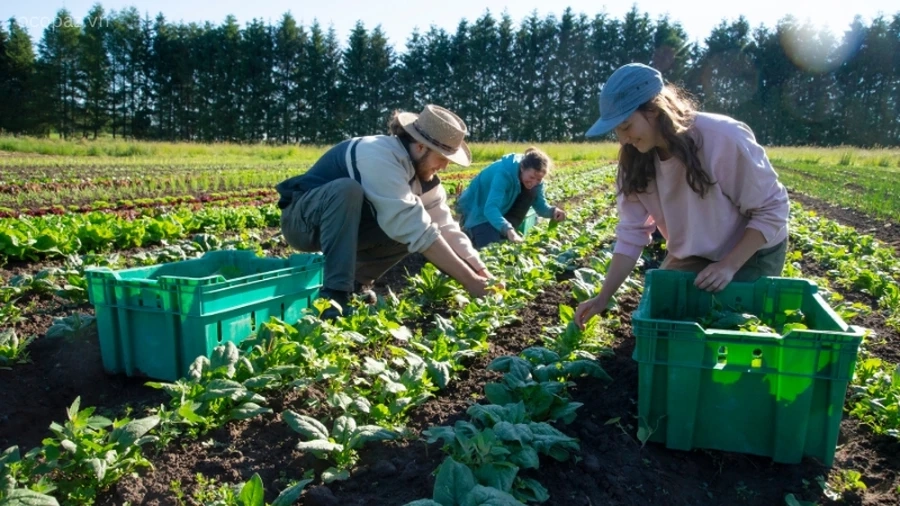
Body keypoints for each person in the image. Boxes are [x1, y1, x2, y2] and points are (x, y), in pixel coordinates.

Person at [575, 63, 790, 329]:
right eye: (616, 130)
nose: (623, 139)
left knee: (732, 325)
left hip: (751, 249)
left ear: (654, 110)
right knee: (663, 319)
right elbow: (632, 234)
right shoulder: (634, 162)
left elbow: (773, 208)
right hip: (695, 249)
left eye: (627, 126)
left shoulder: (722, 138)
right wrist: (602, 297)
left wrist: (728, 265)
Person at [276, 104, 496, 319]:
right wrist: (469, 283)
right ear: (420, 146)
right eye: (442, 158)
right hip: (302, 222)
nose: (445, 167)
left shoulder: (425, 178)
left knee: (417, 226)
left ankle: (354, 285)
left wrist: (479, 270)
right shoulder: (377, 154)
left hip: (346, 228)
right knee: (349, 191)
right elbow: (413, 225)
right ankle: (334, 296)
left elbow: (445, 226)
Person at [457, 147, 567, 249]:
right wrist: (508, 229)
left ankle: (504, 232)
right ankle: (470, 231)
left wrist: (553, 212)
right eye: (532, 177)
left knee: (531, 192)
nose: (534, 182)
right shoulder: (504, 174)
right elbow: (490, 208)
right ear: (523, 167)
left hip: (499, 208)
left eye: (538, 179)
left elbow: (541, 206)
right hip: (477, 211)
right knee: (490, 250)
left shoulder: (536, 180)